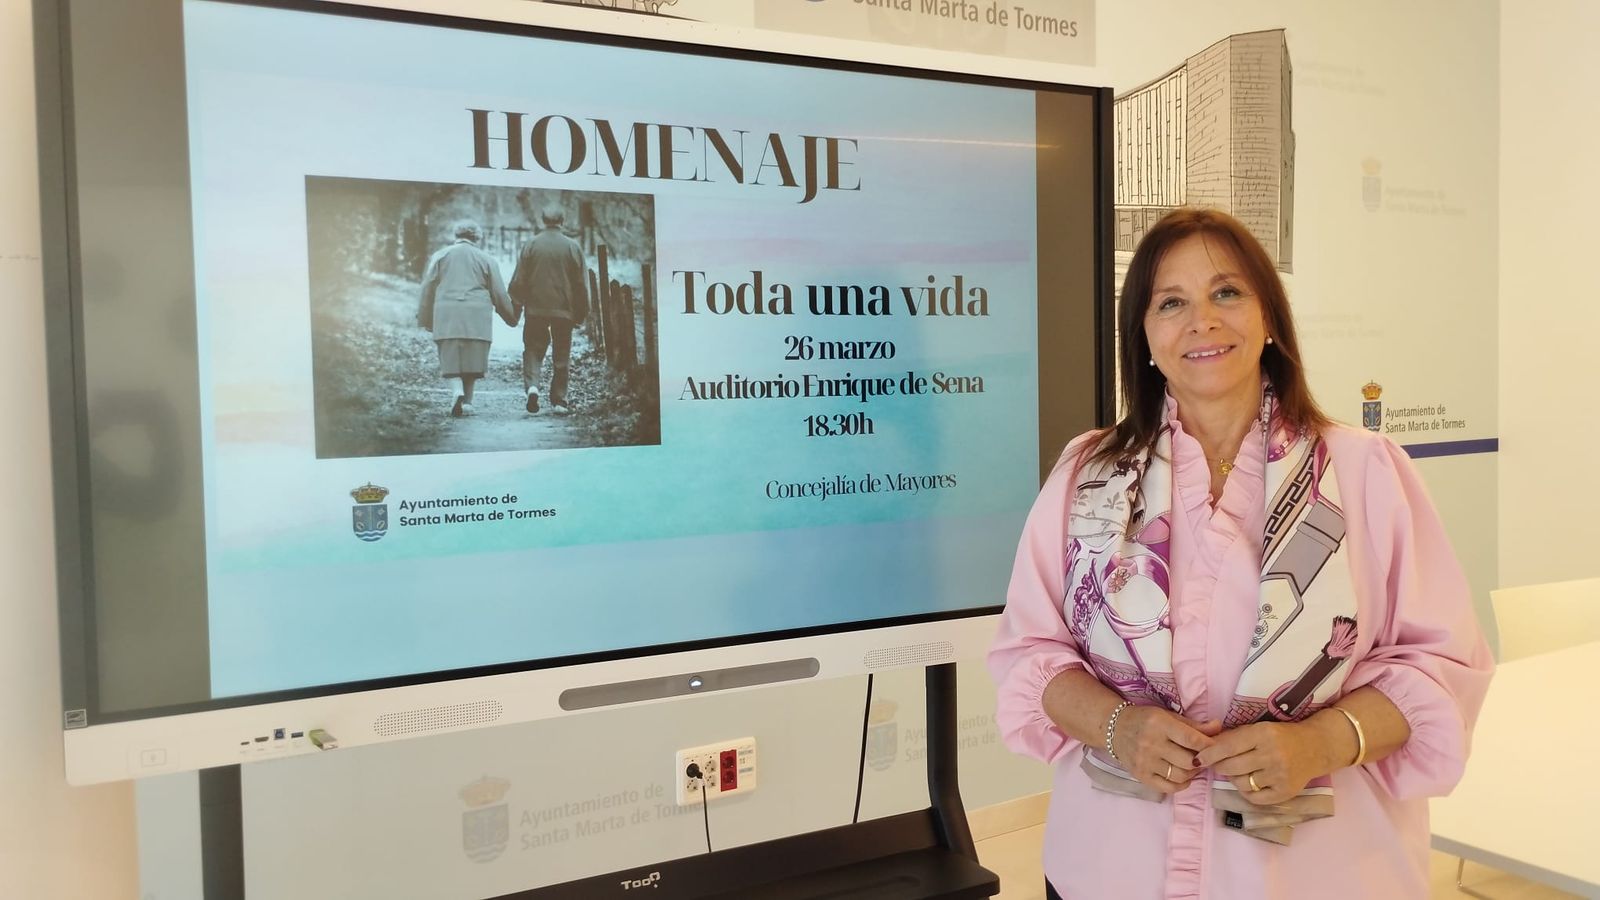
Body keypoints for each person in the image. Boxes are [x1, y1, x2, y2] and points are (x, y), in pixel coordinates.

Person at [987, 208, 1494, 900]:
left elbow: (1441, 667)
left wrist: (1323, 742)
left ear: (1270, 318)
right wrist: (1115, 726)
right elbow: (1030, 653)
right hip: (1112, 871)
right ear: (1143, 336)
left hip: (1317, 875)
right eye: (1172, 303)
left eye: (1227, 292)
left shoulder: (1364, 471)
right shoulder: (1088, 474)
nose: (1203, 321)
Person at [416, 220, 516, 417]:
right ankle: (468, 402)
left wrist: (426, 318)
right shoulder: (486, 259)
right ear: (477, 237)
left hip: (447, 312)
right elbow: (499, 292)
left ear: (456, 235)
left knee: (450, 355)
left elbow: (427, 289)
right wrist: (510, 317)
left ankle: (457, 391)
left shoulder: (440, 256)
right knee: (473, 357)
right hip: (476, 315)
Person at [508, 206, 589, 414]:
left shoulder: (531, 245)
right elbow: (581, 284)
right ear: (563, 220)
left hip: (535, 309)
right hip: (564, 310)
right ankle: (559, 400)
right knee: (561, 353)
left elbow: (519, 280)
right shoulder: (572, 247)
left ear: (543, 220)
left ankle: (533, 386)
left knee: (533, 348)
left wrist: (516, 308)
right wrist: (580, 313)